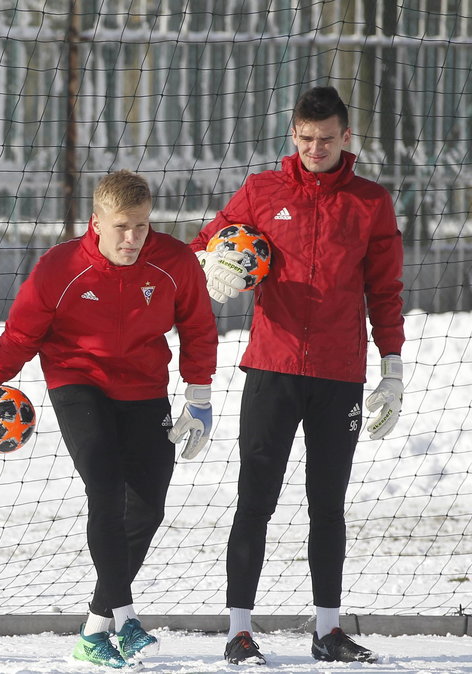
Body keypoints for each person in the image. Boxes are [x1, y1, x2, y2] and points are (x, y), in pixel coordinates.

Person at [0, 170, 218, 668]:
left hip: (145, 388)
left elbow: (197, 326)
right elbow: (21, 334)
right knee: (103, 487)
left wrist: (200, 397)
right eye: (122, 226)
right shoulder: (60, 268)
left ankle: (94, 630)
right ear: (96, 222)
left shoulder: (175, 262)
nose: (132, 238)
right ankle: (126, 619)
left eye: (142, 226)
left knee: (146, 509)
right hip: (76, 381)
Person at [193, 85, 405, 665]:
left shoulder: (370, 202)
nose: (315, 147)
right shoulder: (263, 191)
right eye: (306, 138)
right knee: (254, 499)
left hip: (340, 374)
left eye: (327, 139)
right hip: (272, 368)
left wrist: (392, 366)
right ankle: (239, 630)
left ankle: (328, 631)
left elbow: (385, 290)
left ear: (346, 138)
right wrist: (215, 267)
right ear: (293, 134)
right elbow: (207, 242)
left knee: (327, 503)